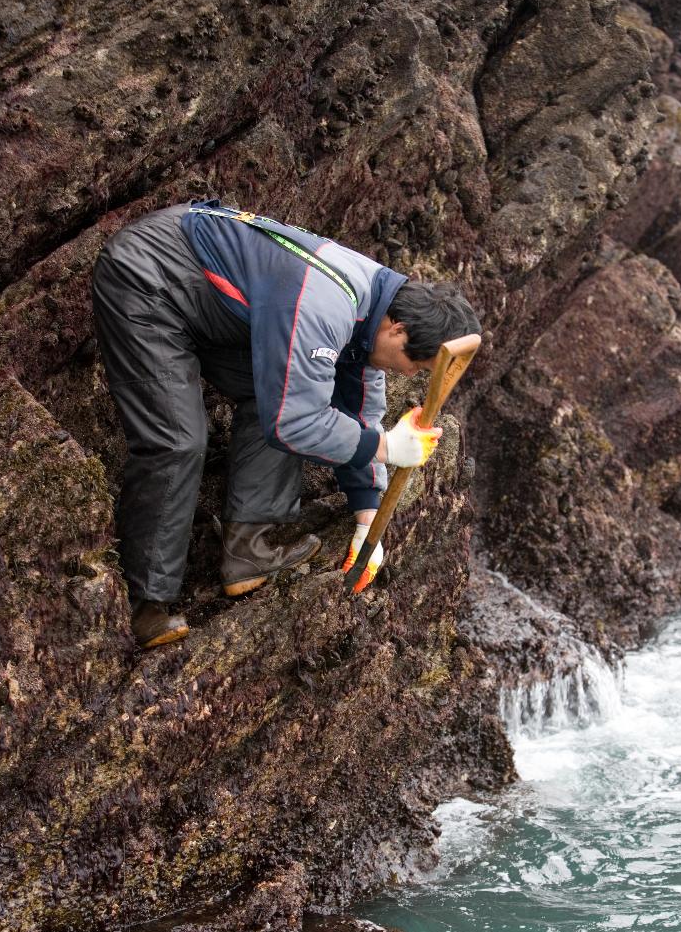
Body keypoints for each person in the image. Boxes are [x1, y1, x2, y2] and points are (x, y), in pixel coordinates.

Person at [92, 200, 481, 648]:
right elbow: (294, 422)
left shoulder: (378, 310)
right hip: (149, 278)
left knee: (279, 395)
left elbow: (359, 413)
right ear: (397, 330)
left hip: (212, 306)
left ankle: (246, 553)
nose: (409, 376)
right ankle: (147, 605)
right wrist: (385, 448)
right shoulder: (326, 303)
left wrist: (366, 516)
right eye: (416, 364)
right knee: (179, 441)